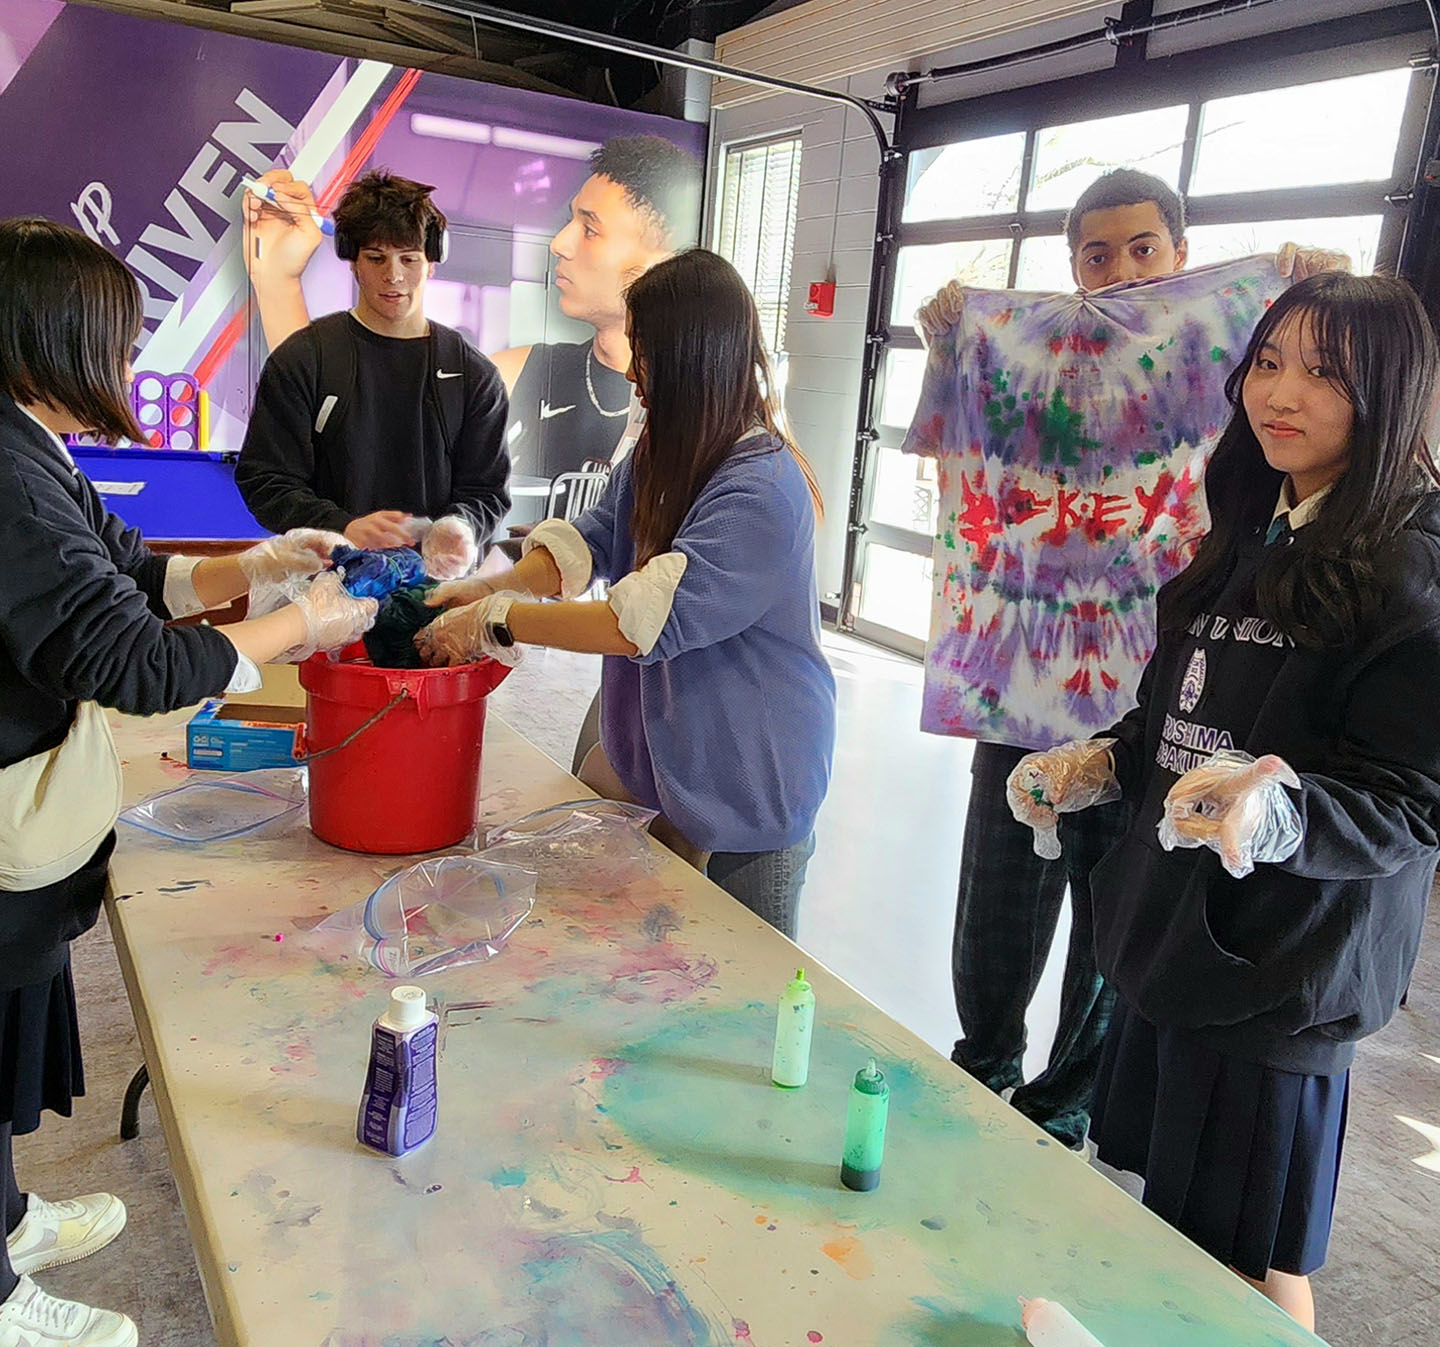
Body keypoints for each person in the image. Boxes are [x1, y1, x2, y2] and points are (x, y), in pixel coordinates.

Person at [1007, 272, 1440, 1332]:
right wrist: (1100, 764)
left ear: (1389, 394)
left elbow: (1410, 806)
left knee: (1252, 1264)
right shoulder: (1253, 527)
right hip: (1178, 944)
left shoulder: (1411, 568)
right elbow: (1170, 724)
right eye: (1271, 362)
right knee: (1174, 1218)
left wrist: (1283, 813)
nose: (1281, 393)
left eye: (1325, 373)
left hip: (1278, 972)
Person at [911, 167, 1348, 1150]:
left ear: (1181, 257)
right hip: (1021, 698)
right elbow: (954, 457)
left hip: (1151, 708)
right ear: (1071, 265)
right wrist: (953, 339)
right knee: (995, 917)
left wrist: (1320, 297)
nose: (1120, 272)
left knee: (1112, 937)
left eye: (1143, 250)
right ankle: (981, 1074)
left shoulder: (1233, 374)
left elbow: (1327, 425)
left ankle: (1061, 1111)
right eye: (1096, 254)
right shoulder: (1028, 366)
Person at [0, 218, 376, 1344]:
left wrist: (254, 566)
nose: (124, 371)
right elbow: (132, 661)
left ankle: (7, 1218)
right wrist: (297, 624)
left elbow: (124, 570)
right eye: (113, 347)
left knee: (16, 1020)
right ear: (49, 339)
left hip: (28, 805)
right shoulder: (5, 476)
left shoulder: (33, 444)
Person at [416, 250, 835, 938]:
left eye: (646, 352)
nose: (634, 371)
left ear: (693, 358)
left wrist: (497, 620)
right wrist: (487, 585)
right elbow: (589, 543)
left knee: (742, 990)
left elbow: (634, 623)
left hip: (748, 780)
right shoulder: (662, 452)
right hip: (663, 756)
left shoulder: (762, 488)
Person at [236, 170, 510, 579]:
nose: (394, 276)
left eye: (409, 259)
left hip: (435, 597)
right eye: (376, 258)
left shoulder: (474, 375)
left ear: (431, 263)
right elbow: (267, 479)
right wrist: (341, 526)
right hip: (323, 592)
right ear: (353, 263)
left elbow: (487, 491)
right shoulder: (304, 359)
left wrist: (461, 528)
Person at [488, 135, 701, 478]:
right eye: (570, 222)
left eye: (589, 230)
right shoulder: (508, 377)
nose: (559, 244)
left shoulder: (700, 415)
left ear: (662, 258)